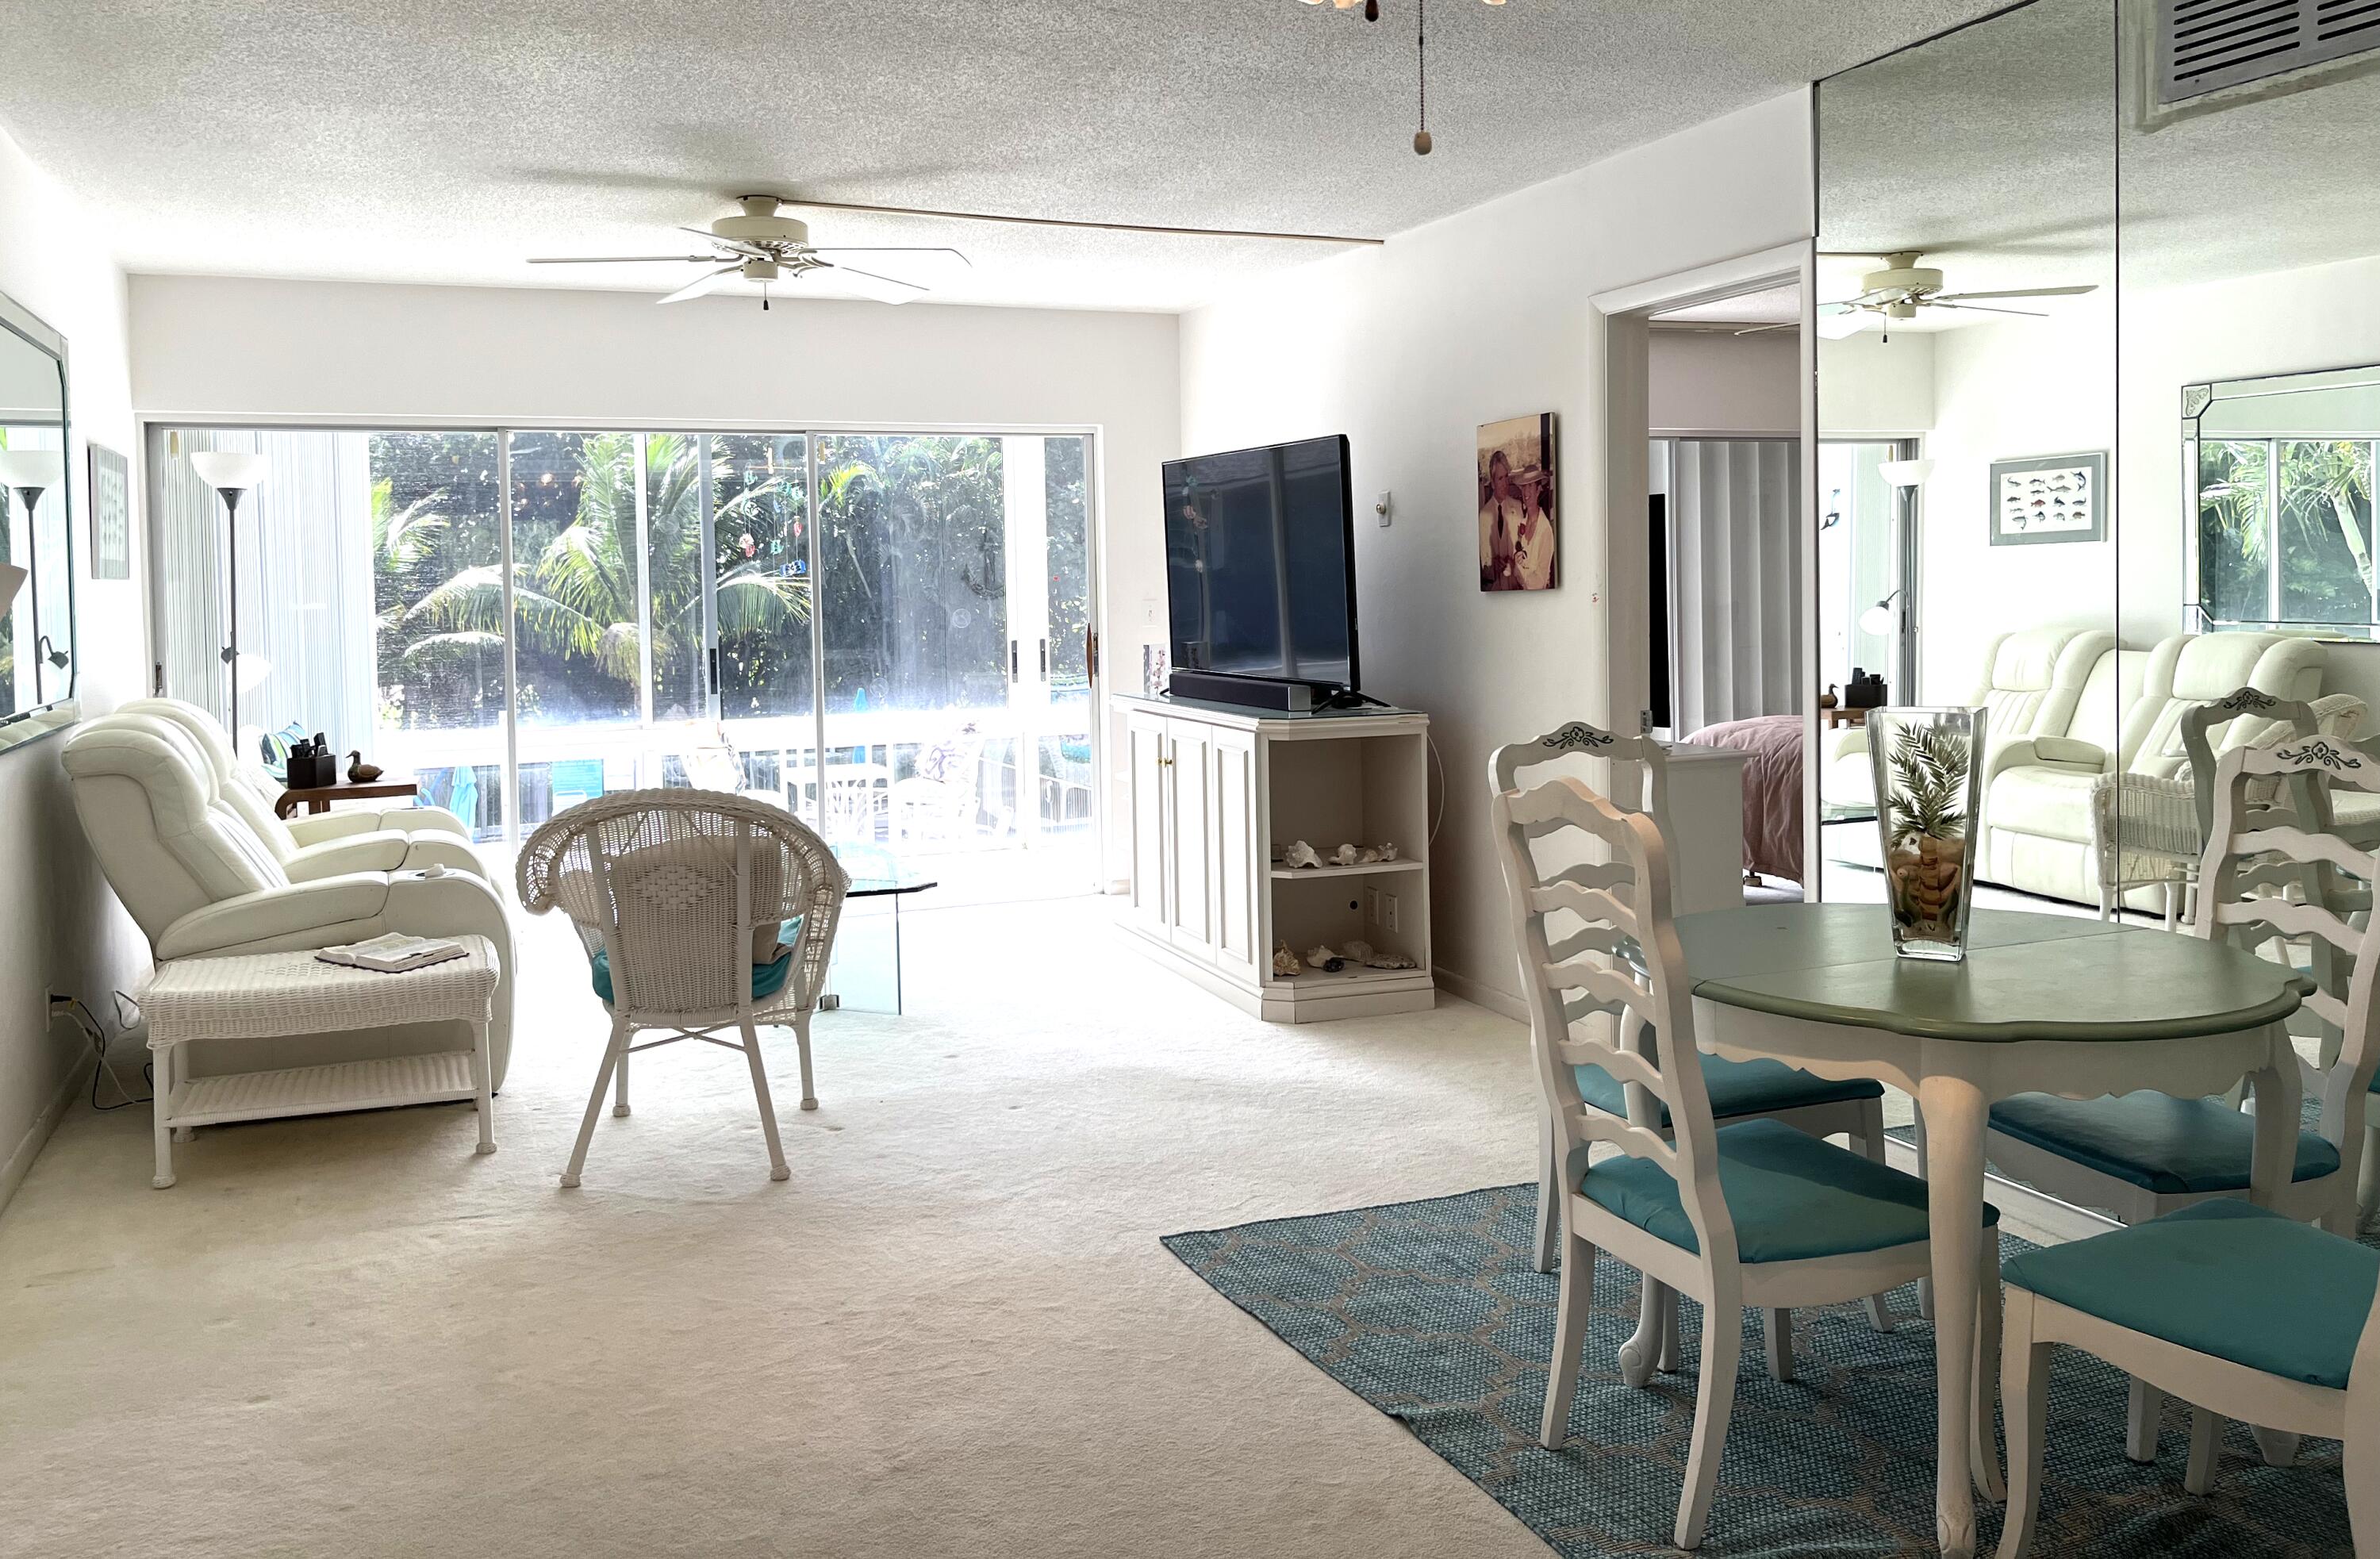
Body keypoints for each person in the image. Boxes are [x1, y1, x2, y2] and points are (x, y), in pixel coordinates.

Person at [1478, 448, 1525, 589]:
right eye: (1500, 478)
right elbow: (1484, 565)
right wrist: (1493, 565)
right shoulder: (1484, 515)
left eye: (1506, 477)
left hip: (1516, 586)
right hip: (1495, 591)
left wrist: (1515, 562)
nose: (1505, 484)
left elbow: (1523, 549)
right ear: (1492, 483)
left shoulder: (1517, 508)